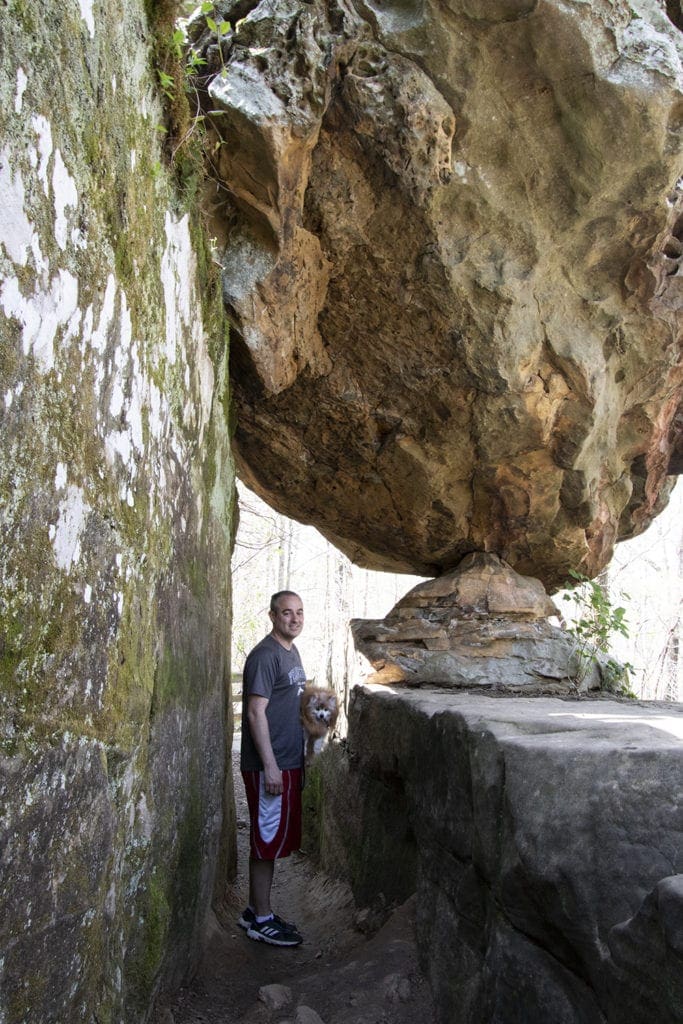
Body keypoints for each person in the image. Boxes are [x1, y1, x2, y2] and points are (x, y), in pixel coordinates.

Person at [238, 590, 307, 946]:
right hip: (271, 764)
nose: (294, 619)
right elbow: (255, 712)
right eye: (286, 613)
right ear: (272, 616)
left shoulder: (290, 651)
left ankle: (255, 910)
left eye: (298, 613)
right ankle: (261, 920)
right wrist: (270, 767)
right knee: (265, 839)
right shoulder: (266, 656)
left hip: (286, 761)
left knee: (272, 838)